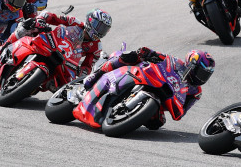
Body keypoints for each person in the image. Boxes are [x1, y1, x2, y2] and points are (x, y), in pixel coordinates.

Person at [82, 47, 214, 129]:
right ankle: (96, 75)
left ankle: (126, 117)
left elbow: (181, 113)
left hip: (162, 98)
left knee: (156, 124)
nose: (201, 78)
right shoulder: (176, 62)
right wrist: (148, 53)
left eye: (206, 75)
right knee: (129, 57)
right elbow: (160, 56)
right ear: (191, 64)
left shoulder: (196, 92)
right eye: (200, 73)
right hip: (148, 77)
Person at [0, 8, 112, 84]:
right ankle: (3, 48)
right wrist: (41, 19)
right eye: (99, 26)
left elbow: (88, 66)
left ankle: (34, 83)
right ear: (90, 21)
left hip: (65, 61)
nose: (100, 31)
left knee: (60, 85)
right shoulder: (75, 22)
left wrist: (82, 72)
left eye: (104, 29)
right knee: (27, 26)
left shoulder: (96, 48)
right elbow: (53, 17)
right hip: (51, 43)